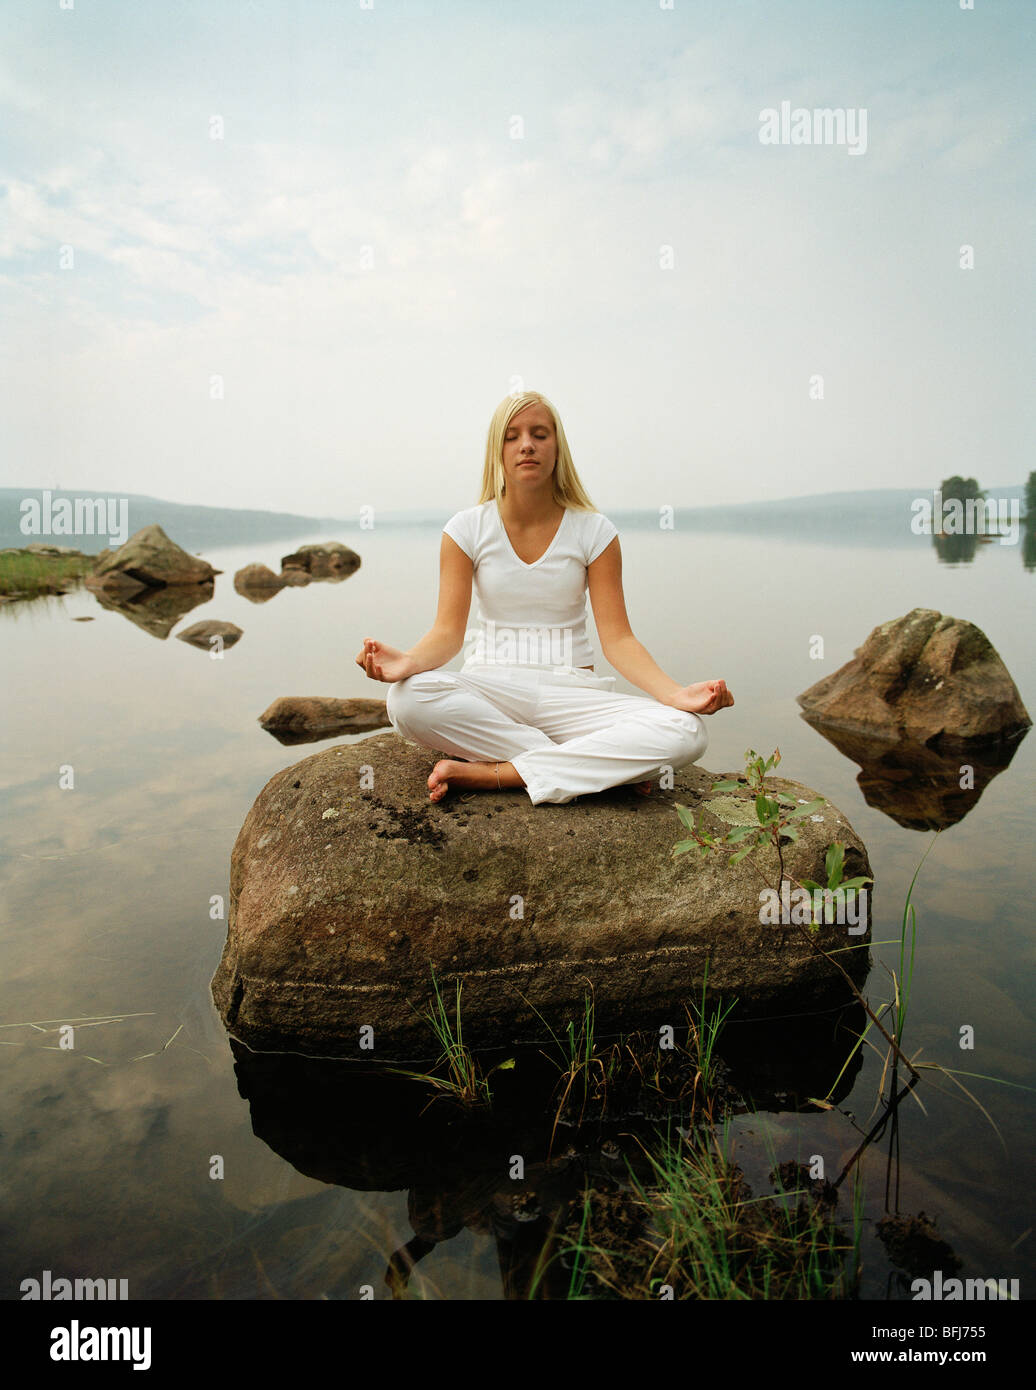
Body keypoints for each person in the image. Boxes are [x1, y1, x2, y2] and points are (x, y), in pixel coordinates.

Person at [355, 390, 734, 805]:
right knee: (407, 700)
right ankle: (595, 768)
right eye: (512, 436)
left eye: (540, 434)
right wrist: (408, 663)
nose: (527, 445)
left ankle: (499, 773)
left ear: (558, 447)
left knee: (687, 731)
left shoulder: (594, 531)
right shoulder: (465, 530)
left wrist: (674, 695)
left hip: (572, 694)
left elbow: (619, 640)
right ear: (497, 450)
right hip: (492, 689)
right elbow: (447, 633)